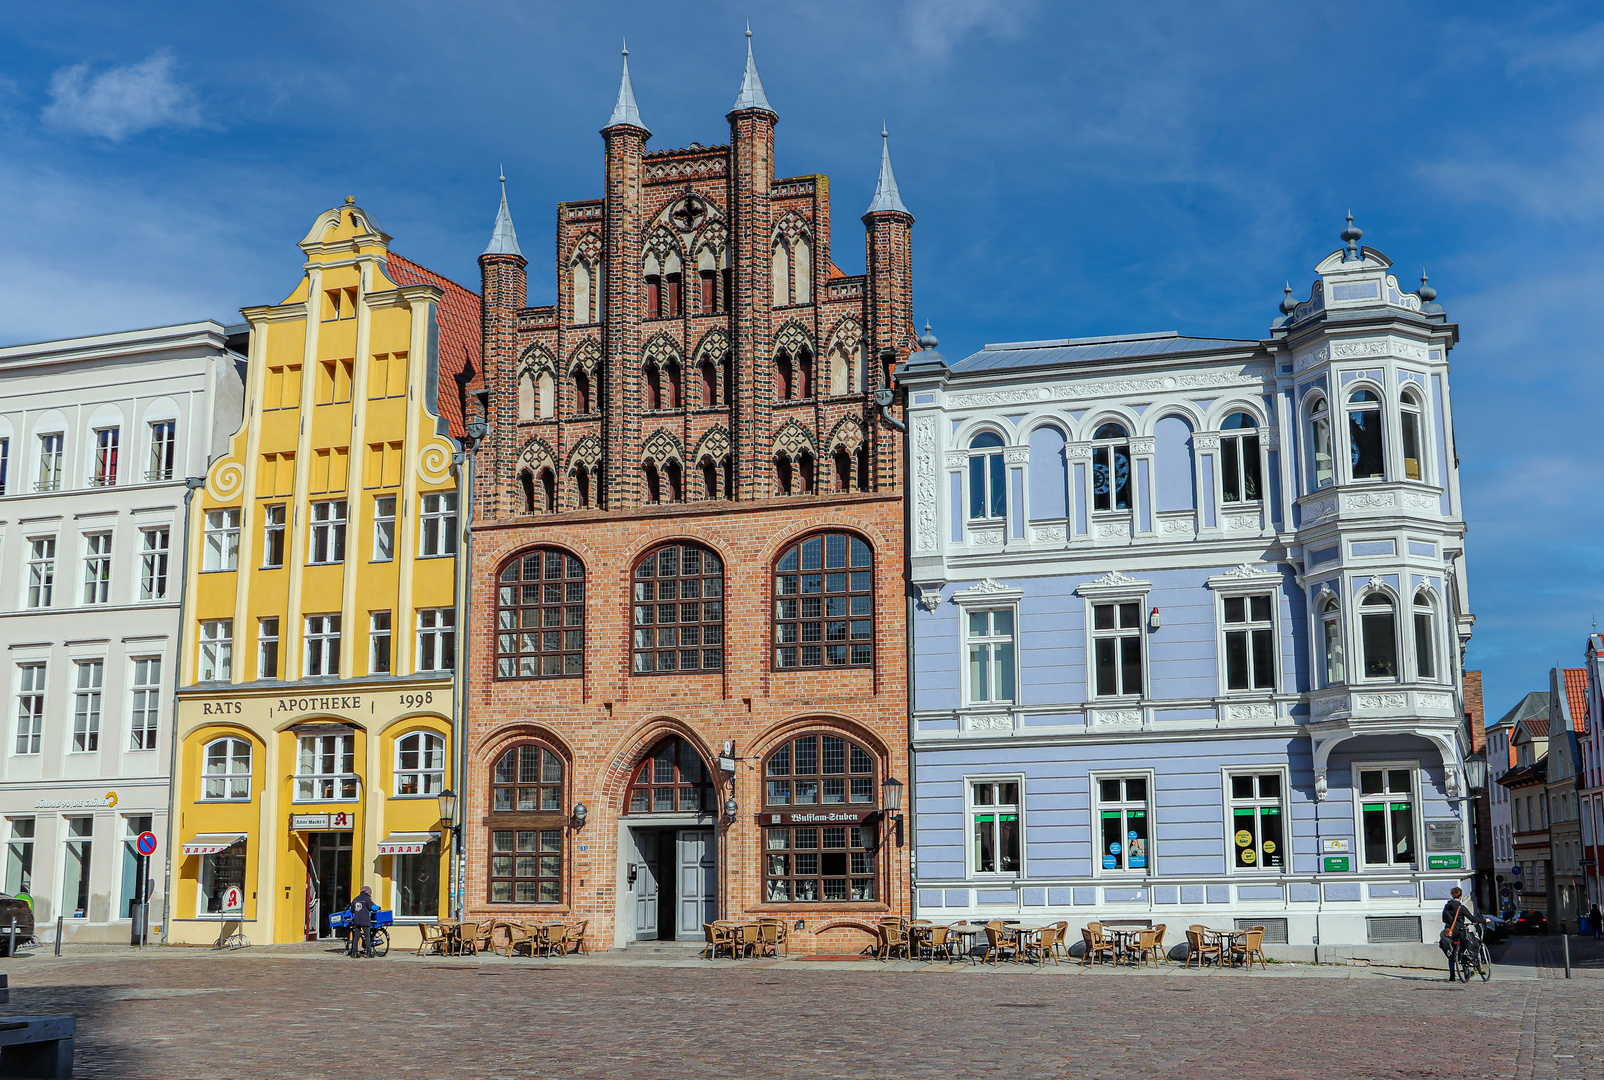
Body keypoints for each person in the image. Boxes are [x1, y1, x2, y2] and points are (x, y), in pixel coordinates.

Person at [1439, 886, 1482, 980]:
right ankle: (1466, 972)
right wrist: (1483, 920)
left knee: (1451, 953)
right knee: (1466, 949)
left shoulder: (1447, 906)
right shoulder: (1460, 907)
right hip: (1460, 932)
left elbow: (1443, 919)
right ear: (1460, 896)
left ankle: (1452, 976)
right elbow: (1472, 918)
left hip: (1449, 932)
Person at [348, 886, 376, 958]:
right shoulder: (367, 899)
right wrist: (378, 907)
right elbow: (373, 908)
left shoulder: (355, 899)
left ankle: (355, 953)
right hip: (365, 920)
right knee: (367, 936)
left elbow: (351, 909)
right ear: (368, 892)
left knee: (356, 937)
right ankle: (369, 953)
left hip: (357, 920)